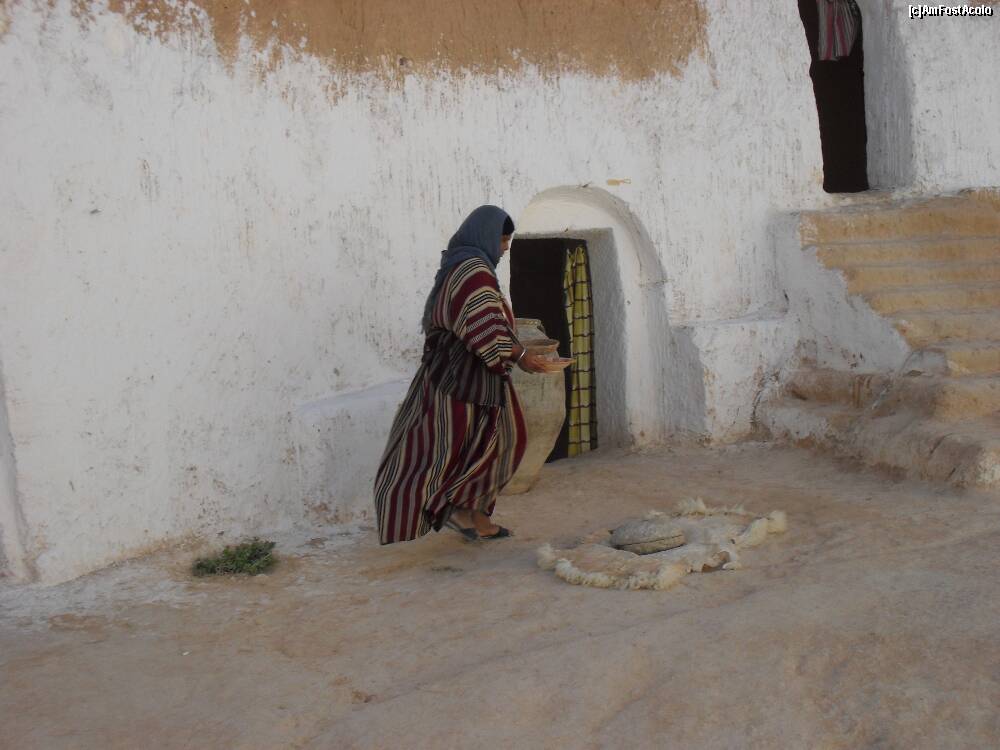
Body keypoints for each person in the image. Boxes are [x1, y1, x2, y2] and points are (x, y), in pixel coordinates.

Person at [373, 205, 549, 544]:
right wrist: (520, 355)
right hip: (461, 378)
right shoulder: (473, 271)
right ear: (486, 236)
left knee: (489, 444)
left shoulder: (462, 265)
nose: (506, 247)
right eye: (502, 239)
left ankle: (473, 515)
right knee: (457, 447)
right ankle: (456, 511)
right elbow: (483, 324)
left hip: (469, 374)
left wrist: (515, 351)